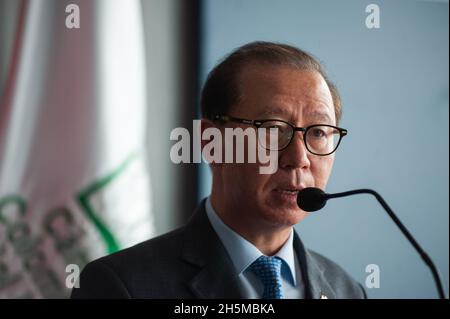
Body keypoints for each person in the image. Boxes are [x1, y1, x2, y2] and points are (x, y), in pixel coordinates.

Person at [71, 41, 366, 299]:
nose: (299, 157)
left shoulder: (347, 290)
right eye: (273, 129)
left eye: (318, 132)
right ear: (212, 143)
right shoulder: (121, 285)